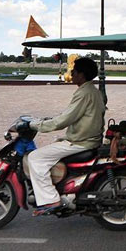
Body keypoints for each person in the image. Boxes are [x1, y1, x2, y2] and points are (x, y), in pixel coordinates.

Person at [26, 57, 105, 216]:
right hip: (88, 139)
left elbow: (63, 121)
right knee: (53, 146)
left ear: (81, 74)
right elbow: (71, 115)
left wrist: (35, 125)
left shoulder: (84, 93)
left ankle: (50, 199)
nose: (71, 74)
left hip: (81, 142)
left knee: (35, 157)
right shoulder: (93, 91)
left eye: (73, 71)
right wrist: (47, 120)